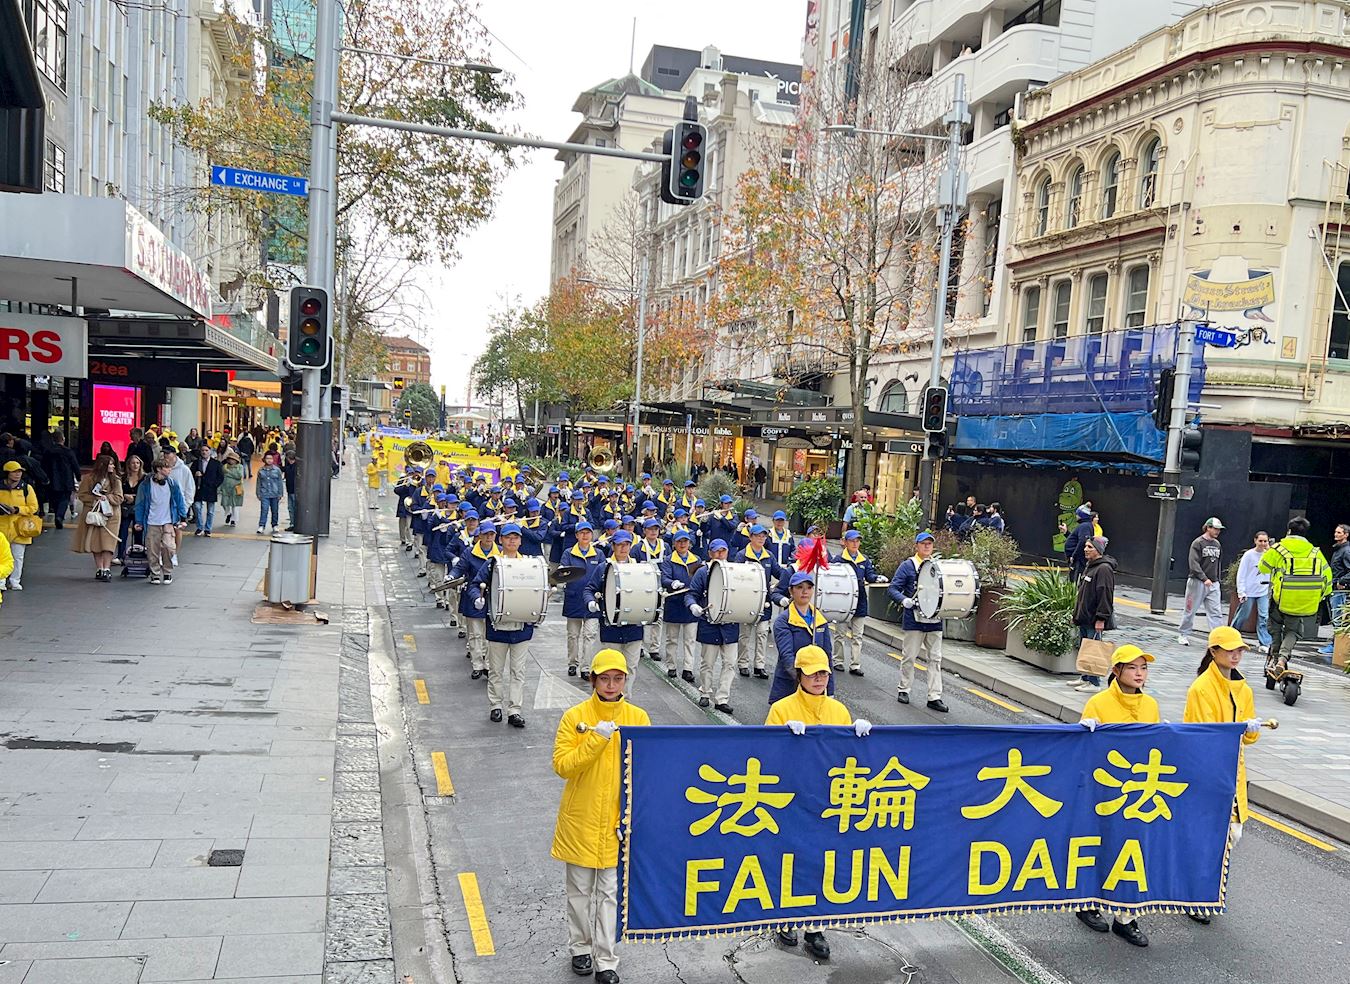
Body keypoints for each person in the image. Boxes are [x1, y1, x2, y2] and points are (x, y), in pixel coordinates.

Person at [766, 644, 871, 961]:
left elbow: (848, 759)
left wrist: (860, 736)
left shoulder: (839, 711)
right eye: (812, 674)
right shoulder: (781, 709)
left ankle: (815, 927)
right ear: (799, 675)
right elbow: (766, 756)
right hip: (792, 799)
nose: (819, 679)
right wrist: (782, 738)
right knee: (789, 861)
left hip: (827, 801)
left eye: (823, 673)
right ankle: (785, 920)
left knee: (822, 863)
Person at [551, 649, 650, 984]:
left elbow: (647, 770)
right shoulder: (574, 717)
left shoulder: (638, 718)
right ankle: (580, 948)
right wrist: (596, 739)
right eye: (604, 678)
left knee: (610, 894)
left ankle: (607, 961)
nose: (611, 685)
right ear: (593, 680)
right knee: (579, 892)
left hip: (617, 823)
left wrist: (635, 818)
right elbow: (563, 766)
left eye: (618, 678)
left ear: (625, 680)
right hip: (580, 818)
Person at [1074, 644, 1157, 947]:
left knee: (1132, 851)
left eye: (1143, 668)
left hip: (1136, 792)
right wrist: (1085, 730)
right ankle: (1087, 902)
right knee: (1100, 847)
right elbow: (1084, 749)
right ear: (1116, 671)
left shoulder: (1150, 705)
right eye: (1132, 667)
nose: (1139, 673)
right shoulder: (1098, 703)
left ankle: (1126, 918)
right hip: (1104, 789)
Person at [1183, 625, 1261, 926]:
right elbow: (1203, 736)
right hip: (1207, 775)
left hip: (1233, 775)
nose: (1235, 655)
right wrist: (1237, 732)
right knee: (1207, 838)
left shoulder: (1244, 689)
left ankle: (1207, 892)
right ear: (1213, 652)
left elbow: (1249, 739)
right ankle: (1196, 896)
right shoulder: (1201, 688)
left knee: (1231, 835)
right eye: (1229, 649)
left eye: (1239, 649)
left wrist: (1250, 730)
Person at [473, 523, 532, 727]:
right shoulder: (492, 564)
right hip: (497, 627)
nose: (512, 540)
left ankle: (515, 710)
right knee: (496, 670)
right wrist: (477, 598)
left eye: (515, 537)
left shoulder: (529, 565)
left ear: (521, 541)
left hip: (521, 627)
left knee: (518, 672)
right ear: (501, 540)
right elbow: (476, 584)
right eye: (508, 537)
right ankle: (496, 706)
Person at [1260, 516, 1332, 669]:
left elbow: (1263, 567)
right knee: (1293, 631)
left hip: (1280, 599)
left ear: (1289, 531)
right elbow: (1328, 576)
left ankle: (1274, 657)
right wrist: (1320, 596)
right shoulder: (1315, 552)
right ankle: (1283, 658)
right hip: (1304, 602)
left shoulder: (1278, 549)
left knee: (1275, 627)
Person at [887, 532, 948, 712]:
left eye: (930, 544)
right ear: (917, 546)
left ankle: (934, 696)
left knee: (935, 659)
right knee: (909, 657)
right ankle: (904, 689)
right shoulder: (907, 566)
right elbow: (893, 588)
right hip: (914, 619)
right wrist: (903, 600)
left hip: (934, 620)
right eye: (923, 543)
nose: (927, 546)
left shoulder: (938, 566)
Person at [685, 538, 740, 713]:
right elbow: (691, 594)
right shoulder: (703, 572)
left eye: (723, 551)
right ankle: (705, 692)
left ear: (727, 552)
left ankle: (722, 698)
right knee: (707, 662)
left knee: (730, 664)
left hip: (730, 624)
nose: (719, 554)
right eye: (716, 551)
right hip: (709, 623)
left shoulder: (734, 571)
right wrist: (693, 606)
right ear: (710, 553)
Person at [769, 570, 835, 704]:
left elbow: (827, 656)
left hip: (816, 688)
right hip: (789, 687)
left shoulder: (820, 619)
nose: (805, 592)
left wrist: (830, 689)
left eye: (809, 587)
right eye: (800, 587)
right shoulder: (783, 621)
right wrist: (804, 680)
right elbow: (787, 656)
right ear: (791, 591)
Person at [833, 529, 888, 676]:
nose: (855, 544)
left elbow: (869, 575)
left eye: (857, 541)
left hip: (860, 600)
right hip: (843, 601)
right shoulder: (838, 560)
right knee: (840, 633)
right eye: (852, 541)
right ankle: (838, 660)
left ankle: (855, 664)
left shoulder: (864, 559)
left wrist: (877, 578)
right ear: (845, 542)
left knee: (857, 635)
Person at [1069, 536, 1117, 692]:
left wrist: (1101, 618)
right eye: (1085, 546)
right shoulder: (1091, 566)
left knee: (1093, 648)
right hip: (1085, 617)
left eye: (1090, 547)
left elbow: (1105, 594)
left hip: (1093, 618)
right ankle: (1085, 677)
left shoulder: (1104, 569)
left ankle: (1094, 682)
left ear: (1099, 550)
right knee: (1085, 647)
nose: (1085, 549)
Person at [735, 524, 781, 680]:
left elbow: (779, 573)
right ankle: (743, 664)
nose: (761, 539)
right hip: (747, 601)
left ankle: (759, 666)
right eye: (758, 536)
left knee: (762, 634)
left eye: (763, 536)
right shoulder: (742, 555)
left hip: (764, 601)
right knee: (745, 635)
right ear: (750, 537)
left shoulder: (769, 556)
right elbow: (736, 577)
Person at [561, 521, 605, 679]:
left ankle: (586, 667)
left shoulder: (599, 554)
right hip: (574, 598)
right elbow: (563, 572)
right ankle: (572, 663)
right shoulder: (568, 553)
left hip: (593, 600)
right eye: (582, 533)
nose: (585, 535)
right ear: (576, 535)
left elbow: (603, 575)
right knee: (573, 635)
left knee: (590, 634)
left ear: (592, 535)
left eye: (588, 532)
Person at [72, 454, 125, 582]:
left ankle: (106, 569)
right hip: (94, 513)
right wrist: (95, 498)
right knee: (95, 541)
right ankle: (99, 568)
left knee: (108, 542)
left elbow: (119, 498)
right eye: (110, 464)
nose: (113, 466)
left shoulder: (116, 480)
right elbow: (82, 495)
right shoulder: (89, 479)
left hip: (111, 515)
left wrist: (108, 497)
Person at [659, 529, 701, 682]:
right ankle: (671, 666)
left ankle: (688, 669)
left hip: (691, 604)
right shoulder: (668, 560)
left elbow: (699, 577)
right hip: (674, 603)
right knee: (672, 639)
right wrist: (672, 583)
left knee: (690, 640)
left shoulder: (696, 559)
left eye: (685, 541)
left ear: (689, 543)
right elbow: (664, 578)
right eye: (679, 541)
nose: (683, 544)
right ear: (674, 544)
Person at [1177, 518, 1225, 645]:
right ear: (1208, 528)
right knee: (1190, 609)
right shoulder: (1198, 543)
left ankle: (1217, 638)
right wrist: (1204, 578)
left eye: (1219, 529)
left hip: (1213, 582)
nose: (1217, 531)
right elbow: (1193, 563)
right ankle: (1183, 634)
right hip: (1197, 581)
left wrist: (1217, 579)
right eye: (1215, 529)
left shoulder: (1217, 544)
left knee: (1216, 612)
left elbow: (1218, 563)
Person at [0, 461, 40, 591]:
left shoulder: (26, 488)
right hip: (2, 526)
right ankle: (1, 580)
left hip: (19, 527)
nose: (18, 474)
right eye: (14, 472)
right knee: (1, 556)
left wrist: (18, 510)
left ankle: (15, 580)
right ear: (7, 473)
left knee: (18, 556)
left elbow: (33, 507)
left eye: (20, 472)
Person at [1232, 531, 1272, 655]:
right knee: (1243, 615)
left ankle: (1264, 643)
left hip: (1263, 591)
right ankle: (1232, 634)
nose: (1263, 543)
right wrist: (1241, 591)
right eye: (1260, 541)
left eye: (1265, 541)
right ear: (1255, 541)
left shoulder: (1269, 555)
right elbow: (1241, 573)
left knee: (1264, 616)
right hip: (1249, 591)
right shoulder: (1249, 555)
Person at [1320, 523, 1349, 656]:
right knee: (1337, 618)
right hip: (1336, 588)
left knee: (1338, 618)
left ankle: (1335, 645)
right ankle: (1336, 644)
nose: (1336, 534)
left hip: (1340, 590)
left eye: (1339, 532)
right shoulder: (1339, 550)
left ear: (1346, 535)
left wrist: (1341, 581)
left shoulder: (1346, 551)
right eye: (1336, 532)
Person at [42, 432, 80, 529]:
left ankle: (57, 513)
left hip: (52, 478)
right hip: (66, 479)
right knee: (65, 498)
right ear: (63, 439)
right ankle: (59, 516)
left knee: (54, 498)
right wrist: (78, 477)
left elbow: (43, 465)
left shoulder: (48, 452)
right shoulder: (68, 452)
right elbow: (75, 465)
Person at [116, 454, 147, 565]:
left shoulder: (145, 478)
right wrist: (124, 496)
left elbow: (147, 493)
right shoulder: (123, 478)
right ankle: (120, 555)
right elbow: (118, 491)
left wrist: (135, 497)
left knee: (138, 531)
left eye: (137, 463)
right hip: (125, 508)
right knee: (122, 531)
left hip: (139, 508)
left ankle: (139, 553)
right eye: (133, 463)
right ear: (129, 464)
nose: (135, 465)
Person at [191, 446, 223, 537]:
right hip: (199, 488)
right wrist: (195, 474)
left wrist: (215, 485)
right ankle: (200, 527)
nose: (204, 452)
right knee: (197, 507)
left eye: (206, 450)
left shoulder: (216, 463)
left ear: (210, 452)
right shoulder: (196, 463)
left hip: (210, 489)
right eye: (202, 450)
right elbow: (190, 474)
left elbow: (220, 476)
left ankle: (208, 529)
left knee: (210, 511)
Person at [1063, 504, 1096, 579]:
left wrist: (1074, 556)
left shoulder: (1084, 526)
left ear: (1081, 515)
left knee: (1076, 578)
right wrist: (1066, 532)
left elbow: (1082, 541)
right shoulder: (1085, 526)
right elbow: (1077, 540)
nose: (1076, 516)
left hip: (1078, 559)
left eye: (1077, 514)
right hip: (1077, 558)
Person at [255, 452, 284, 534]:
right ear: (264, 460)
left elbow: (280, 482)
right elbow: (258, 483)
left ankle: (274, 525)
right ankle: (261, 525)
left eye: (271, 458)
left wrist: (280, 493)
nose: (269, 460)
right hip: (264, 493)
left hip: (275, 493)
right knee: (264, 509)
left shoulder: (277, 470)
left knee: (275, 510)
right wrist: (258, 493)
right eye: (267, 458)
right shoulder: (261, 470)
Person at [219, 450, 245, 527]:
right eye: (230, 459)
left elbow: (239, 476)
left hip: (236, 487)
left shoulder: (240, 467)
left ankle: (233, 520)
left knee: (234, 505)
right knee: (225, 503)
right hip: (226, 487)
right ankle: (228, 514)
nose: (231, 460)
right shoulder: (225, 466)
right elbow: (222, 477)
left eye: (233, 459)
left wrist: (228, 473)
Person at [282, 450, 299, 530]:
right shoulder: (294, 466)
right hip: (291, 489)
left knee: (292, 507)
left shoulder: (292, 467)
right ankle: (293, 523)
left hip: (292, 489)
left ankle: (293, 523)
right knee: (292, 507)